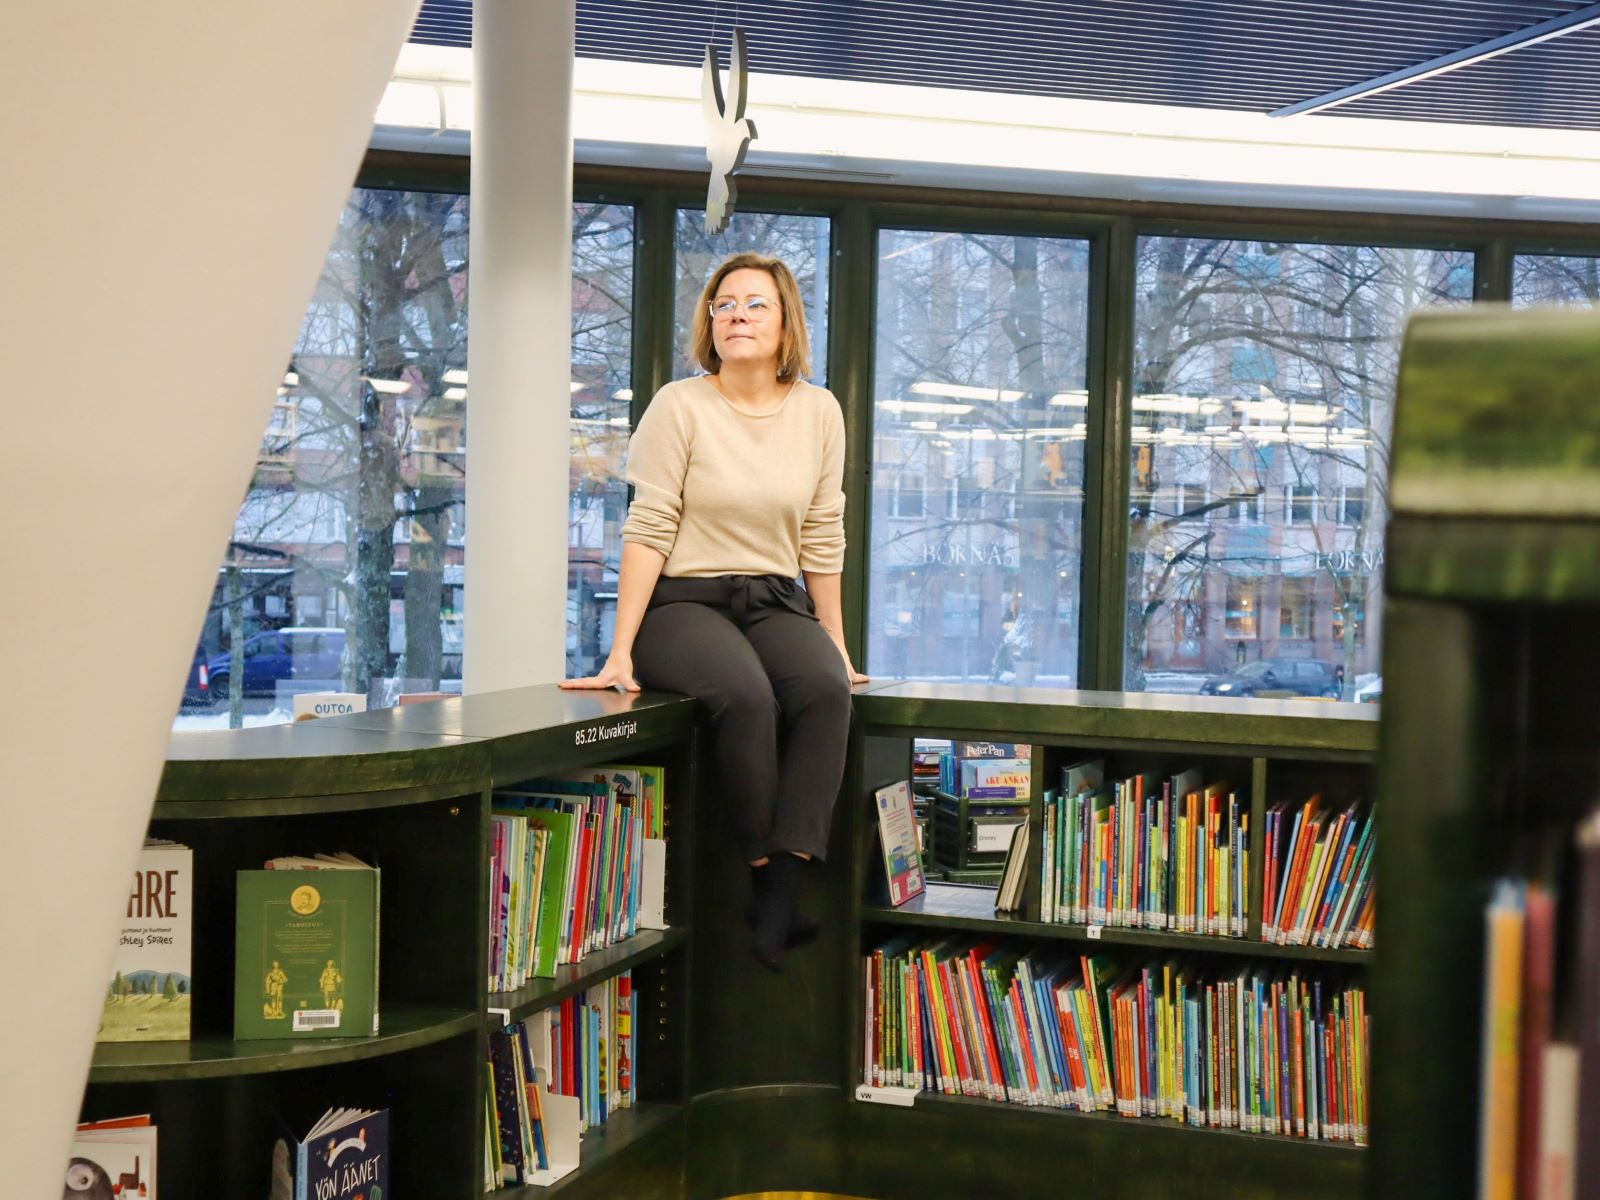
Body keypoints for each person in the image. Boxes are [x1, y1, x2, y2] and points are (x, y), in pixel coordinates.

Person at [562, 251, 865, 972]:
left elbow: (823, 531)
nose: (737, 316)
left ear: (786, 321)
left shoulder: (819, 411)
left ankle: (784, 885)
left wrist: (835, 640)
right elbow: (649, 526)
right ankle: (766, 878)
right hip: (684, 601)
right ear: (710, 324)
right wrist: (619, 649)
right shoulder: (680, 405)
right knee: (745, 696)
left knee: (827, 691)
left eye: (756, 304)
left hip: (775, 597)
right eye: (724, 305)